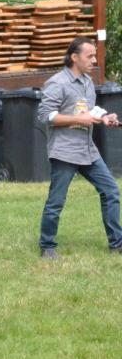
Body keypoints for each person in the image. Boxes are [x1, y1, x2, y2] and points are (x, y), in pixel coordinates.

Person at [37, 37, 122, 259]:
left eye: (94, 56)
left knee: (111, 191)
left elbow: (87, 110)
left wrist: (104, 117)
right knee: (56, 201)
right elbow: (45, 115)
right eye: (89, 56)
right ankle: (47, 246)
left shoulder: (87, 82)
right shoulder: (57, 83)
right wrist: (79, 119)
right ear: (74, 57)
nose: (94, 60)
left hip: (88, 150)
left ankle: (117, 244)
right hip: (65, 151)